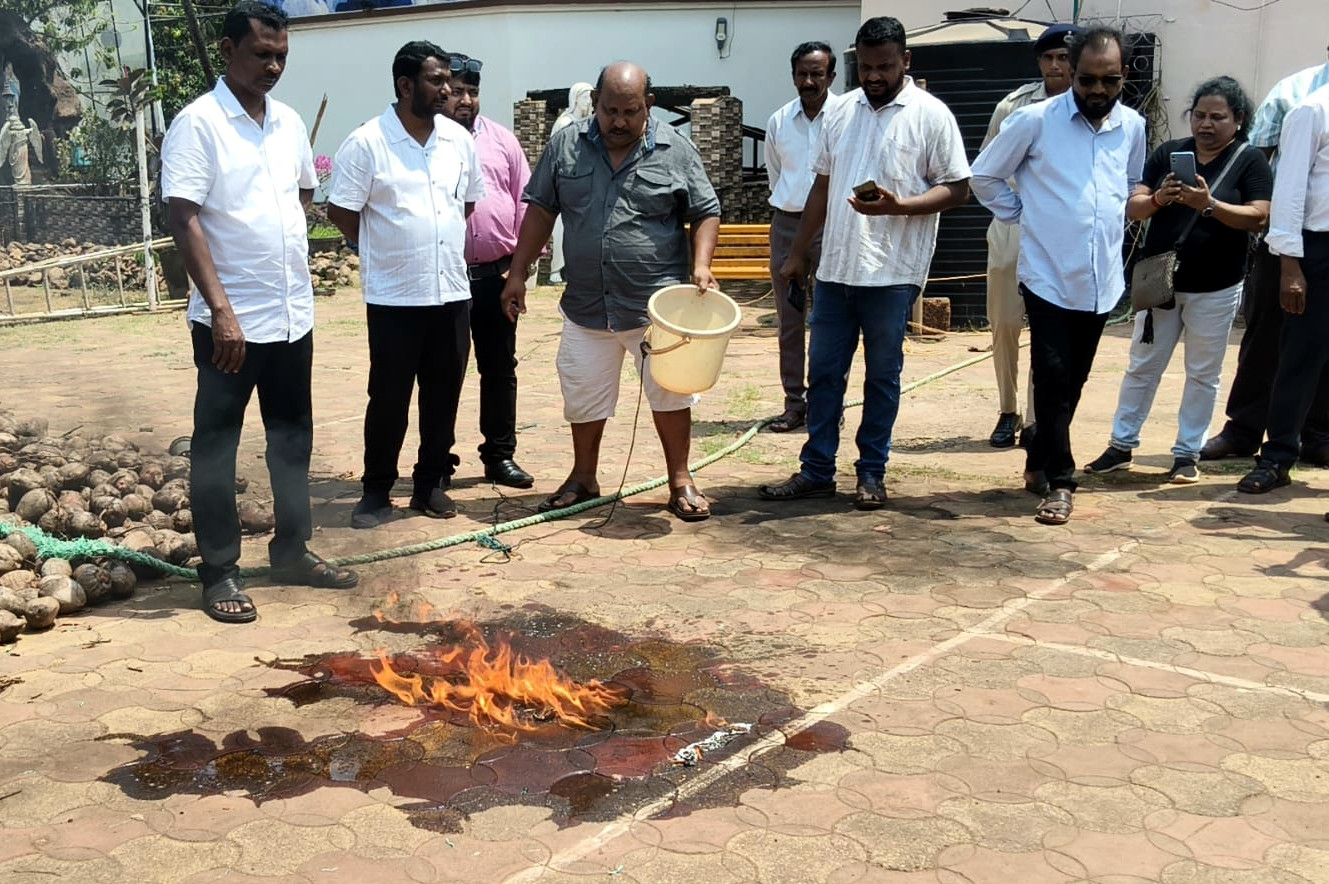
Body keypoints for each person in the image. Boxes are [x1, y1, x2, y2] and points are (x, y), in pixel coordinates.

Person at [161, 0, 358, 624]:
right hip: (230, 325)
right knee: (217, 446)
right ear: (226, 52)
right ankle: (219, 571)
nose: (274, 67)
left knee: (291, 442)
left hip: (290, 316)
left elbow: (302, 191)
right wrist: (221, 309)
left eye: (281, 56)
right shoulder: (199, 124)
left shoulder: (289, 122)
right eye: (261, 55)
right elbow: (183, 216)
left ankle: (292, 551)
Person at [759, 16, 971, 510]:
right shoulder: (841, 113)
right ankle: (816, 470)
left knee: (882, 376)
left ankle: (872, 473)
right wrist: (795, 255)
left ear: (906, 62)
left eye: (886, 66)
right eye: (868, 66)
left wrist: (901, 206)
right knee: (825, 373)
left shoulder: (931, 114)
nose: (875, 76)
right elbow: (822, 185)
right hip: (835, 268)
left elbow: (958, 188)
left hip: (893, 273)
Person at [499, 62, 722, 521]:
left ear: (649, 106)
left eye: (630, 111)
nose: (618, 121)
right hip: (586, 304)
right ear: (595, 103)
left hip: (656, 306)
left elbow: (705, 210)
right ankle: (583, 478)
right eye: (609, 110)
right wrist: (518, 272)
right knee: (582, 393)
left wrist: (702, 265)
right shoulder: (566, 145)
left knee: (671, 393)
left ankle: (680, 480)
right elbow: (541, 209)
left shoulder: (675, 148)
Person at [971, 26, 1147, 525]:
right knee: (1050, 372)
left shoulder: (1131, 126)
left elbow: (1131, 187)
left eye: (1108, 81)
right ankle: (1062, 479)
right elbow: (983, 175)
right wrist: (1022, 213)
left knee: (1073, 379)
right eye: (1087, 79)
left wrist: (1150, 202)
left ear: (1123, 76)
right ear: (1071, 70)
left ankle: (1035, 460)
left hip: (1102, 277)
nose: (1097, 90)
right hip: (1046, 271)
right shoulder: (1034, 121)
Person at [326, 41, 485, 528]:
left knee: (444, 394)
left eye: (449, 81)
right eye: (437, 82)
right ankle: (376, 493)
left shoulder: (458, 141)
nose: (447, 91)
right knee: (390, 398)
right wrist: (383, 248)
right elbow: (341, 211)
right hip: (394, 297)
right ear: (405, 85)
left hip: (451, 293)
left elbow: (468, 205)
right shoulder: (368, 142)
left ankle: (430, 485)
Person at [1083, 77, 1271, 483]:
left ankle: (1187, 453)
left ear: (1238, 120)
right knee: (1142, 365)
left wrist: (1210, 205)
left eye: (1217, 117)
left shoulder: (1249, 159)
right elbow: (1133, 209)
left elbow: (1259, 216)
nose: (1206, 124)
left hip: (1217, 285)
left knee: (1203, 371)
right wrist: (1158, 200)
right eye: (1199, 115)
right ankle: (1121, 444)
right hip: (1161, 282)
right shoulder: (1169, 152)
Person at [1201, 52, 1329, 463]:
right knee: (1267, 339)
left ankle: (1316, 435)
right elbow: (1259, 164)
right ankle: (1245, 430)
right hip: (1287, 237)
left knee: (1318, 347)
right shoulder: (1297, 93)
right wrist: (1285, 251)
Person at [982, 23, 1080, 449]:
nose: (1056, 65)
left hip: (1064, 235)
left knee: (1052, 330)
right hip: (1013, 227)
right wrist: (1014, 211)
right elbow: (987, 167)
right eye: (1049, 57)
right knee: (1004, 323)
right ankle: (1008, 409)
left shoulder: (1094, 110)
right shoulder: (1015, 107)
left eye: (1064, 57)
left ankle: (1038, 419)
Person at [443, 53, 535, 489]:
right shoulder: (431, 141)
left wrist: (518, 271)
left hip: (496, 278)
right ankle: (437, 460)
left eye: (472, 92)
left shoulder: (502, 140)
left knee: (499, 369)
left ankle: (500, 456)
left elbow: (526, 203)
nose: (466, 100)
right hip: (445, 279)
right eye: (458, 91)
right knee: (443, 371)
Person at [1235, 82, 1329, 494]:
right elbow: (1288, 190)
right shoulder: (1312, 110)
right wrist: (1290, 266)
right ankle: (1277, 457)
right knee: (1299, 357)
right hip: (1318, 248)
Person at [763, 41, 840, 434]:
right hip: (788, 226)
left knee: (831, 320)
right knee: (790, 321)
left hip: (833, 227)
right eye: (802, 74)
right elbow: (776, 175)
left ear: (832, 75)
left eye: (817, 74)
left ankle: (827, 403)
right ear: (793, 75)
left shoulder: (846, 117)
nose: (809, 81)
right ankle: (794, 403)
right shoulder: (779, 121)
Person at [548, 83, 594, 285]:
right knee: (561, 229)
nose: (588, 101)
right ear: (575, 99)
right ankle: (555, 269)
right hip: (565, 181)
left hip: (584, 182)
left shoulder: (589, 122)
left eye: (590, 97)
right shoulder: (565, 122)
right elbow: (558, 152)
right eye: (585, 97)